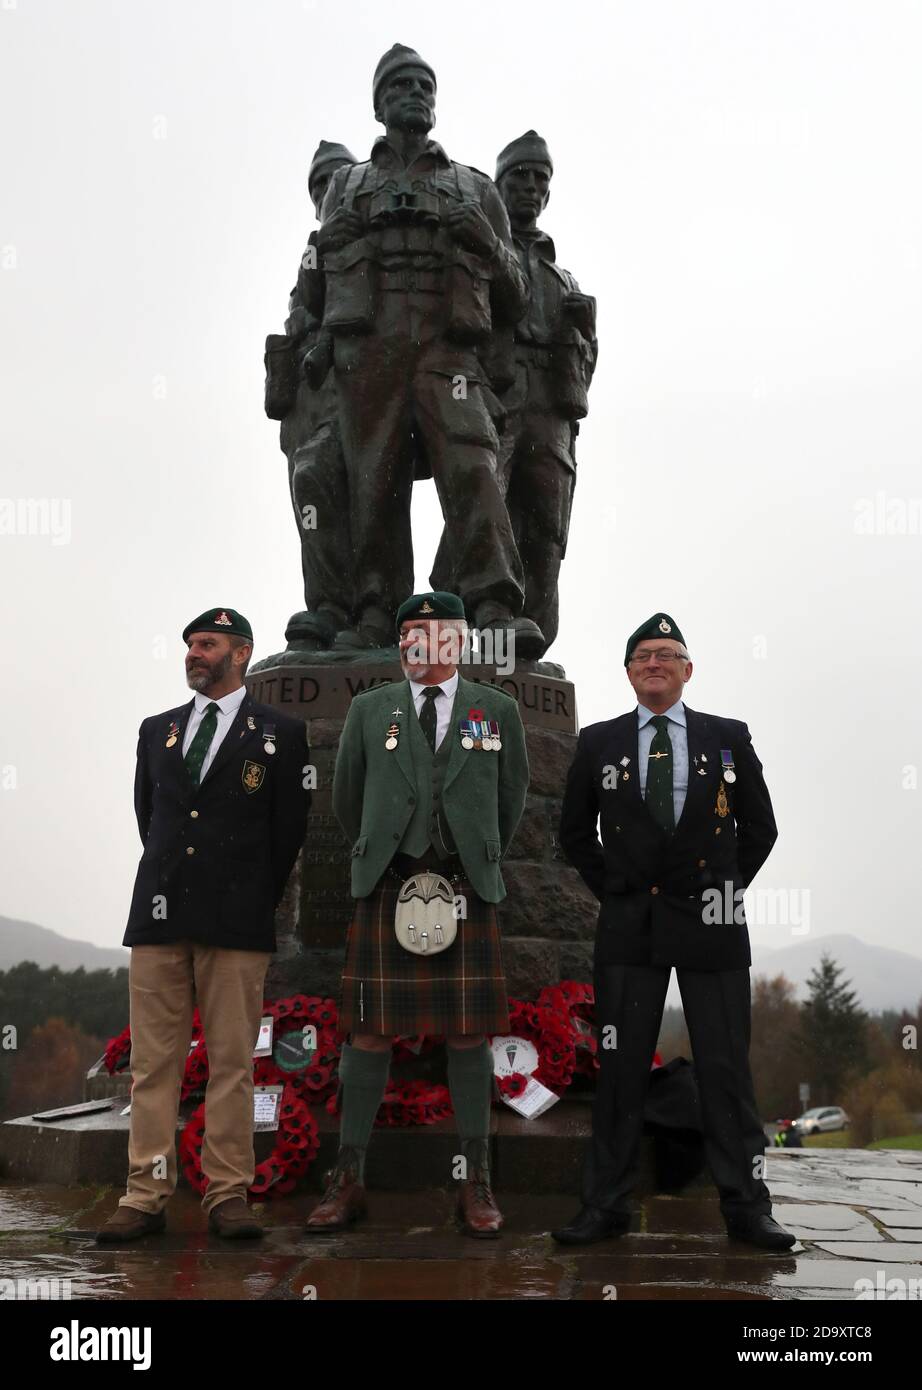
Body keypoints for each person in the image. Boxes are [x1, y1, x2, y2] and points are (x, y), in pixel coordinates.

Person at [552, 613, 795, 1250]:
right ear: (628, 672)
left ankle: (747, 1207)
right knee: (621, 1066)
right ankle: (605, 1206)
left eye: (666, 654)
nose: (653, 663)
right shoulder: (599, 742)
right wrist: (620, 890)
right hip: (630, 923)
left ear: (688, 669)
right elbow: (575, 836)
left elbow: (761, 827)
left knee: (725, 1069)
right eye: (641, 656)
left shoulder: (728, 737)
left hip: (711, 922)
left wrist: (721, 888)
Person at [304, 591, 528, 1236]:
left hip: (464, 890)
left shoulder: (497, 711)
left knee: (468, 1035)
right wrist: (388, 858)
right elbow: (348, 796)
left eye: (427, 633)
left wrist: (473, 859)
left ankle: (477, 1184)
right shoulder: (370, 710)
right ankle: (347, 1180)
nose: (412, 643)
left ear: (458, 640)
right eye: (405, 634)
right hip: (389, 885)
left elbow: (509, 799)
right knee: (369, 1032)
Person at [309, 45, 542, 651]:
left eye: (425, 86)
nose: (417, 95)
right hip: (371, 352)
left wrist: (488, 242)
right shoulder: (346, 184)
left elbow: (515, 296)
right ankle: (373, 612)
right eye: (403, 86)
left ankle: (492, 603)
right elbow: (311, 290)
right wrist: (323, 241)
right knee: (374, 481)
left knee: (473, 467)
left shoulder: (474, 186)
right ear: (380, 104)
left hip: (448, 353)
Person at [97, 609, 310, 1242]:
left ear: (241, 654)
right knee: (154, 1065)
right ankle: (144, 1195)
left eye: (208, 644)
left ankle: (227, 1195)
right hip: (160, 916)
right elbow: (150, 820)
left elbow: (286, 833)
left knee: (231, 1063)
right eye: (191, 643)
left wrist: (247, 897)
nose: (195, 653)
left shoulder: (279, 733)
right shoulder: (156, 731)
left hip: (237, 920)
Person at [432, 131, 597, 657]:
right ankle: (450, 619)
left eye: (540, 180)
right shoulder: (477, 250)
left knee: (548, 527)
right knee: (482, 503)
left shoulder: (563, 276)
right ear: (499, 186)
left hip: (551, 411)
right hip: (495, 396)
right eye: (520, 177)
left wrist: (583, 333)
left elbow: (587, 366)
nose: (530, 188)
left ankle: (524, 644)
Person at [266, 140, 357, 649]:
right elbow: (302, 305)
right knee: (311, 495)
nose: (330, 191)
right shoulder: (316, 244)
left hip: (360, 384)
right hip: (309, 396)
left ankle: (370, 609)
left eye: (337, 179)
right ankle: (328, 605)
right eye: (320, 185)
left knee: (340, 484)